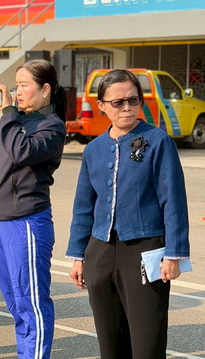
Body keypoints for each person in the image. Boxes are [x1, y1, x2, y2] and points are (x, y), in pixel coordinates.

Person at [66, 69, 190, 358]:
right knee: (110, 342)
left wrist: (174, 254)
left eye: (133, 100)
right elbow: (84, 206)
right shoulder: (94, 149)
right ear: (101, 105)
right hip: (100, 251)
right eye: (118, 102)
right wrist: (77, 256)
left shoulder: (158, 141)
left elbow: (173, 200)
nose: (126, 108)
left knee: (147, 341)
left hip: (145, 250)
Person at [0, 59, 68, 359]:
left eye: (24, 85)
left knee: (30, 301)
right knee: (14, 299)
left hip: (25, 222)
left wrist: (9, 112)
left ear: (45, 90)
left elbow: (22, 152)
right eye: (16, 85)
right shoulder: (14, 121)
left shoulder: (51, 126)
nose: (17, 91)